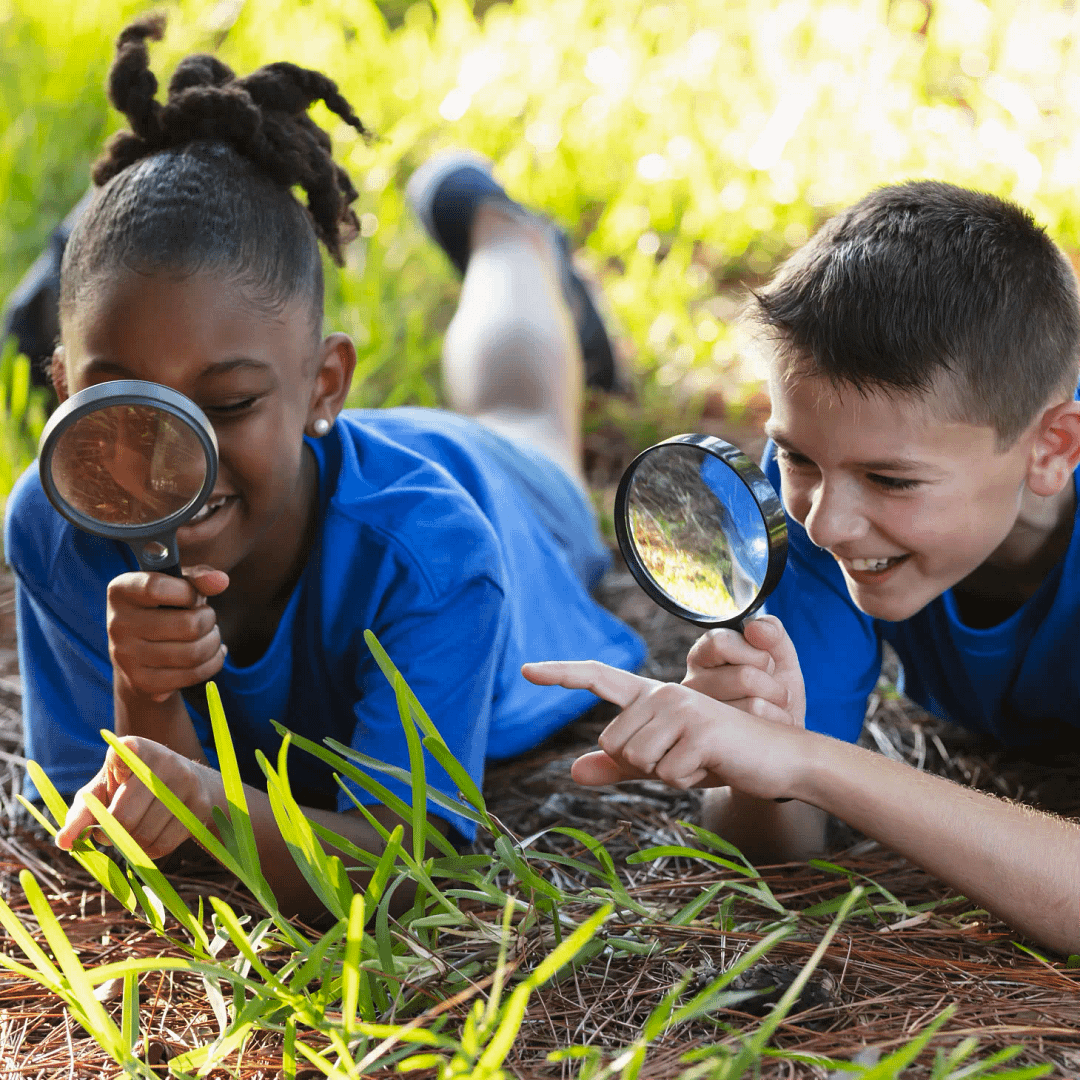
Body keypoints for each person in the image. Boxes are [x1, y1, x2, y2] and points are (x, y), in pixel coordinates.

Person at [4, 15, 645, 920]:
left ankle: (507, 235)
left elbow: (405, 864)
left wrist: (207, 805)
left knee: (528, 419)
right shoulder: (60, 519)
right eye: (127, 404)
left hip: (489, 489)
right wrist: (146, 700)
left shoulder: (434, 547)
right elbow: (106, 832)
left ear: (324, 385)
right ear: (67, 394)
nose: (174, 457)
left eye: (225, 406)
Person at [524, 180, 1080, 955]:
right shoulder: (817, 511)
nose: (825, 521)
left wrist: (812, 762)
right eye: (795, 455)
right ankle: (509, 242)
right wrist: (754, 754)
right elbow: (773, 851)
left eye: (892, 480)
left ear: (1051, 449)